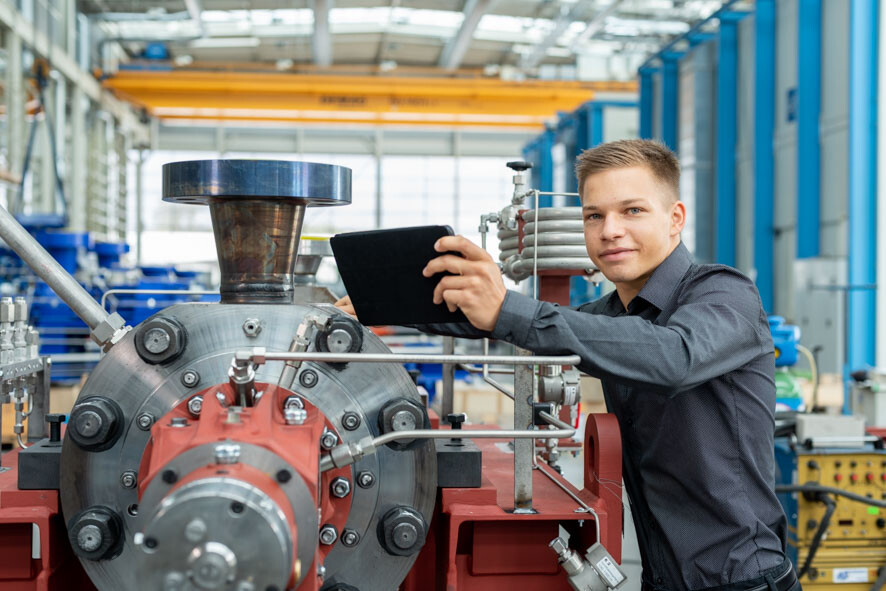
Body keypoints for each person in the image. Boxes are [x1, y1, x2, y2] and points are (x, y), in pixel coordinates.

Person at [335, 139, 795, 591]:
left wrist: (507, 309)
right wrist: (387, 308)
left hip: (744, 580)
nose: (610, 230)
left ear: (675, 219)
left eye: (632, 210)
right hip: (663, 578)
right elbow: (501, 326)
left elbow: (673, 357)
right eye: (595, 215)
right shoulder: (614, 315)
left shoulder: (723, 293)